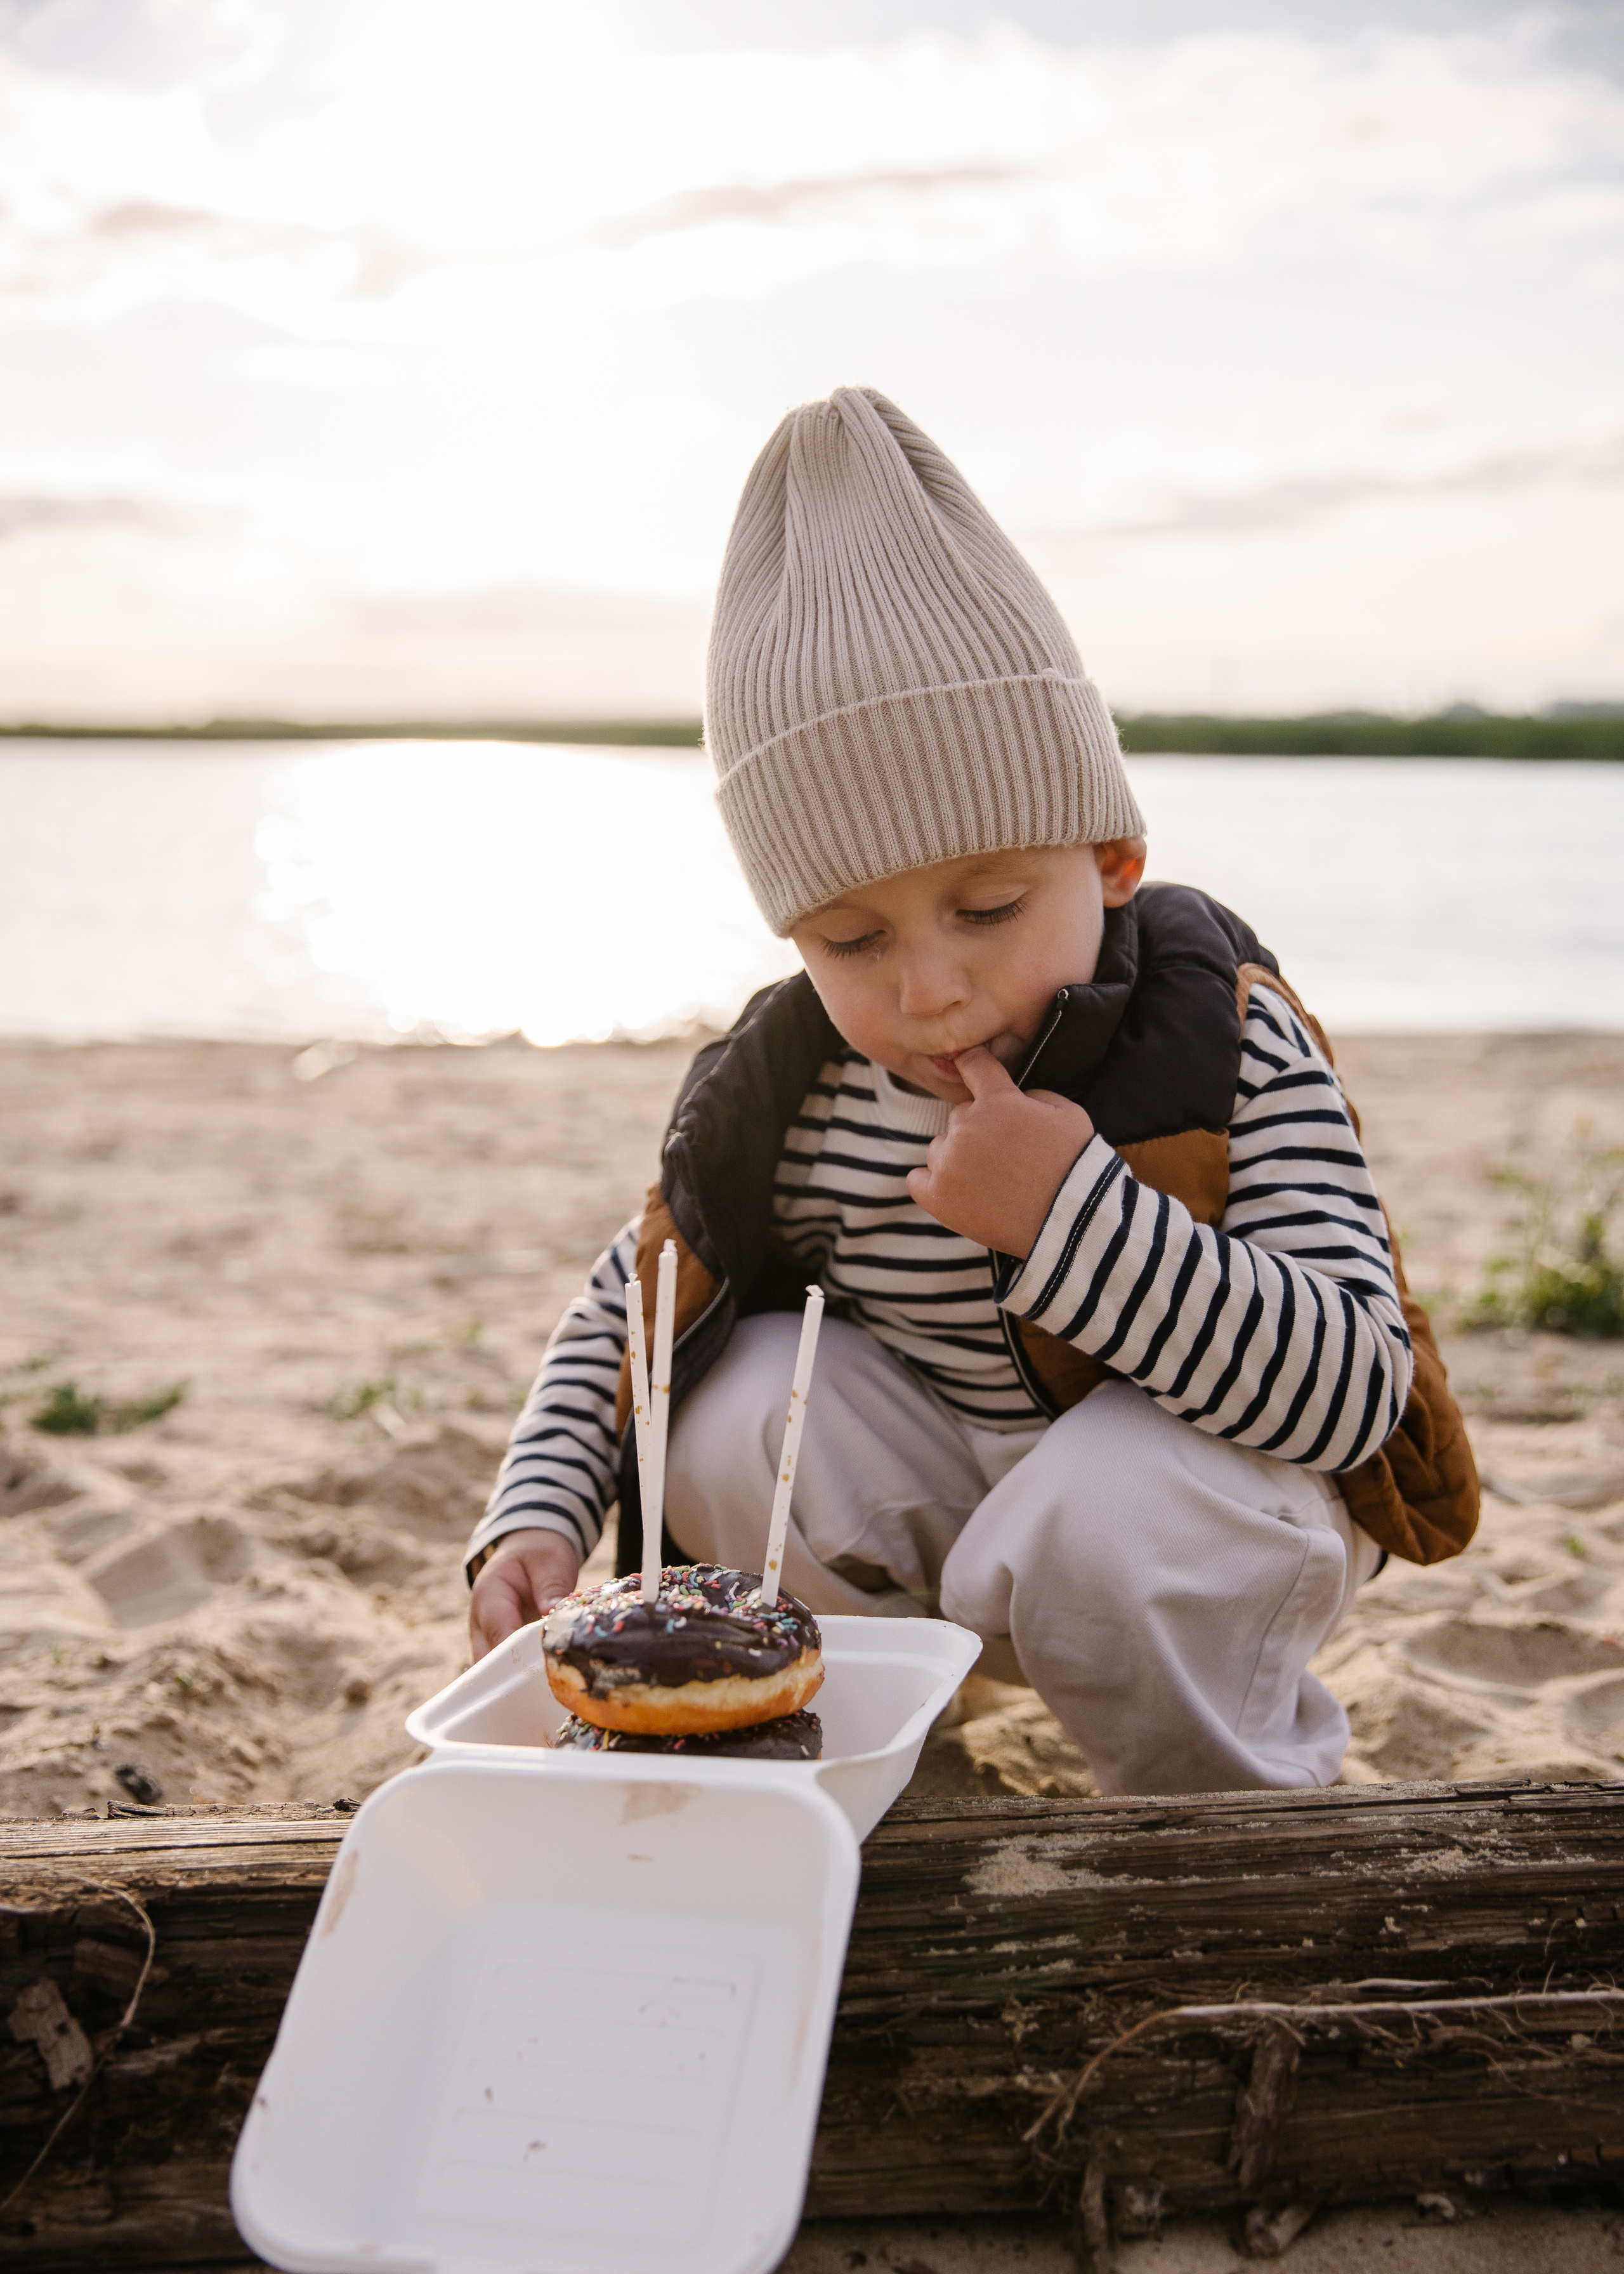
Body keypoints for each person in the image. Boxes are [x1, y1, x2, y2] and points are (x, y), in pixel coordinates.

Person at [464, 386, 1477, 1795]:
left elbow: (1350, 1399)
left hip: (1214, 1508)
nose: (926, 989)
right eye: (851, 940)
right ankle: (873, 1735)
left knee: (1115, 1501)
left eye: (988, 904)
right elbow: (624, 1317)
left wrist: (1068, 1218)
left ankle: (1226, 1800)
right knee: (731, 1398)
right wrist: (536, 1520)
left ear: (1110, 857)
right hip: (959, 1507)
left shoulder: (1216, 1031)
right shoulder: (798, 1088)